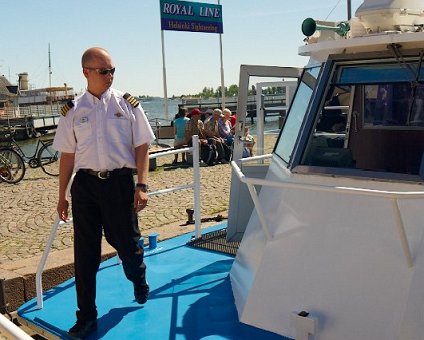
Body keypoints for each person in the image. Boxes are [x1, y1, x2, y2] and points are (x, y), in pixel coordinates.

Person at [53, 47, 155, 339]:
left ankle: (138, 277)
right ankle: (86, 317)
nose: (109, 76)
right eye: (103, 71)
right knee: (85, 254)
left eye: (112, 70)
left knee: (126, 244)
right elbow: (67, 157)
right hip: (85, 187)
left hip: (119, 184)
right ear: (86, 72)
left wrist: (142, 185)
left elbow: (142, 147)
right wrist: (62, 196)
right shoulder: (73, 110)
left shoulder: (127, 104)